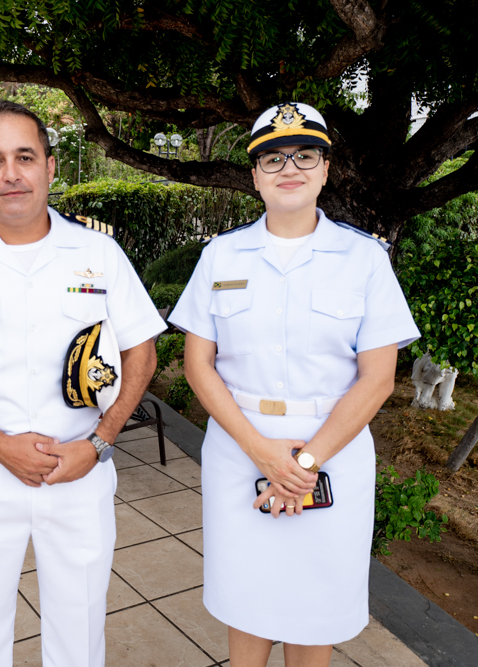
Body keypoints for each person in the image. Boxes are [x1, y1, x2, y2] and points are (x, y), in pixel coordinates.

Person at [0, 100, 165, 667]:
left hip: (80, 469)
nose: (11, 174)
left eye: (25, 157)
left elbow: (142, 352)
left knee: (79, 631)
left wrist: (101, 442)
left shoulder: (98, 252)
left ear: (49, 166)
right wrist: (0, 445)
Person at [169, 102, 421, 667]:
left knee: (316, 605)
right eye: (273, 158)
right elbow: (198, 365)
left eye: (305, 155)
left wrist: (304, 465)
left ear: (326, 170)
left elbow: (378, 378)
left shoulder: (364, 258)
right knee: (247, 598)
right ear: (255, 175)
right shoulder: (221, 255)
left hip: (333, 451)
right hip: (240, 448)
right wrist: (263, 453)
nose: (289, 168)